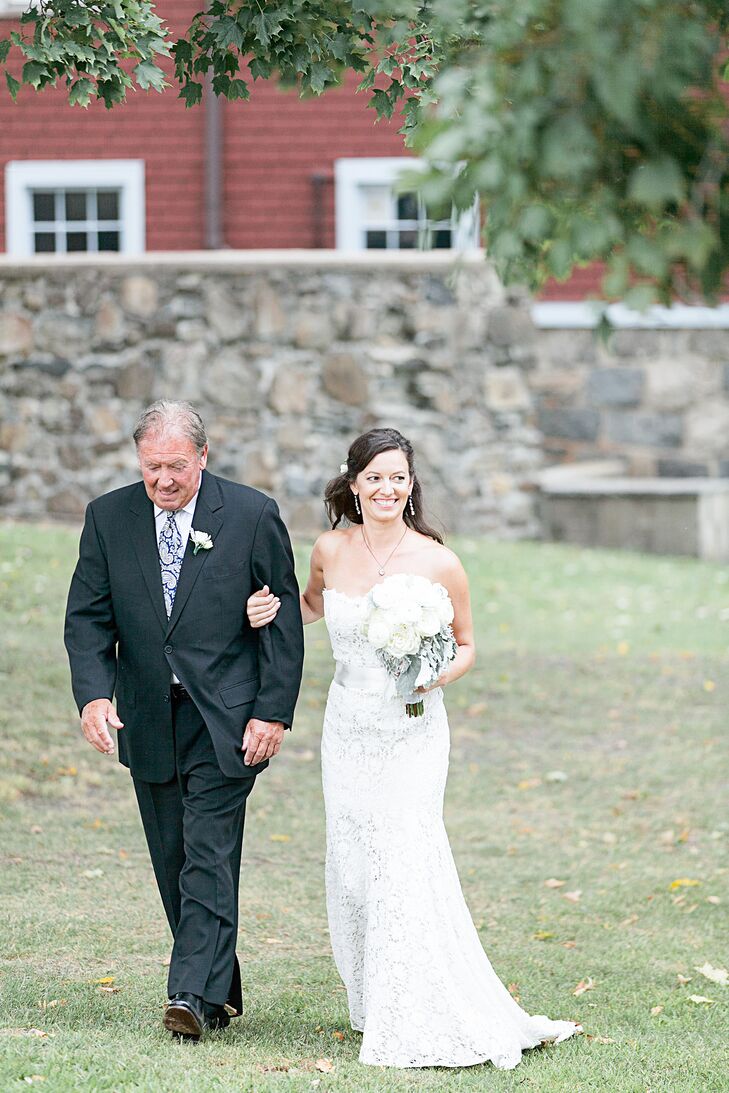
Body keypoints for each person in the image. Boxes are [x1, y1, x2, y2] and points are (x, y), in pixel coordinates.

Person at [246, 426, 581, 1070]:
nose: (388, 489)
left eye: (399, 477)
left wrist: (434, 676)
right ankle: (376, 999)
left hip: (414, 729)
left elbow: (467, 646)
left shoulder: (438, 560)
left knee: (403, 855)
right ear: (352, 484)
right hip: (348, 728)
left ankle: (417, 1009)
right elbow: (311, 606)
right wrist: (271, 609)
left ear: (411, 485)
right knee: (354, 865)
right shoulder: (328, 548)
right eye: (375, 477)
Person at [64, 400, 304, 1040]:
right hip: (146, 715)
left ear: (203, 455)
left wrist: (273, 712)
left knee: (207, 851)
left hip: (224, 716)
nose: (163, 480)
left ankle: (189, 995)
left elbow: (280, 620)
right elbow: (88, 618)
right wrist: (92, 696)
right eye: (151, 468)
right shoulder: (108, 518)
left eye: (175, 466)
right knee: (173, 856)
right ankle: (217, 988)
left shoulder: (251, 515)